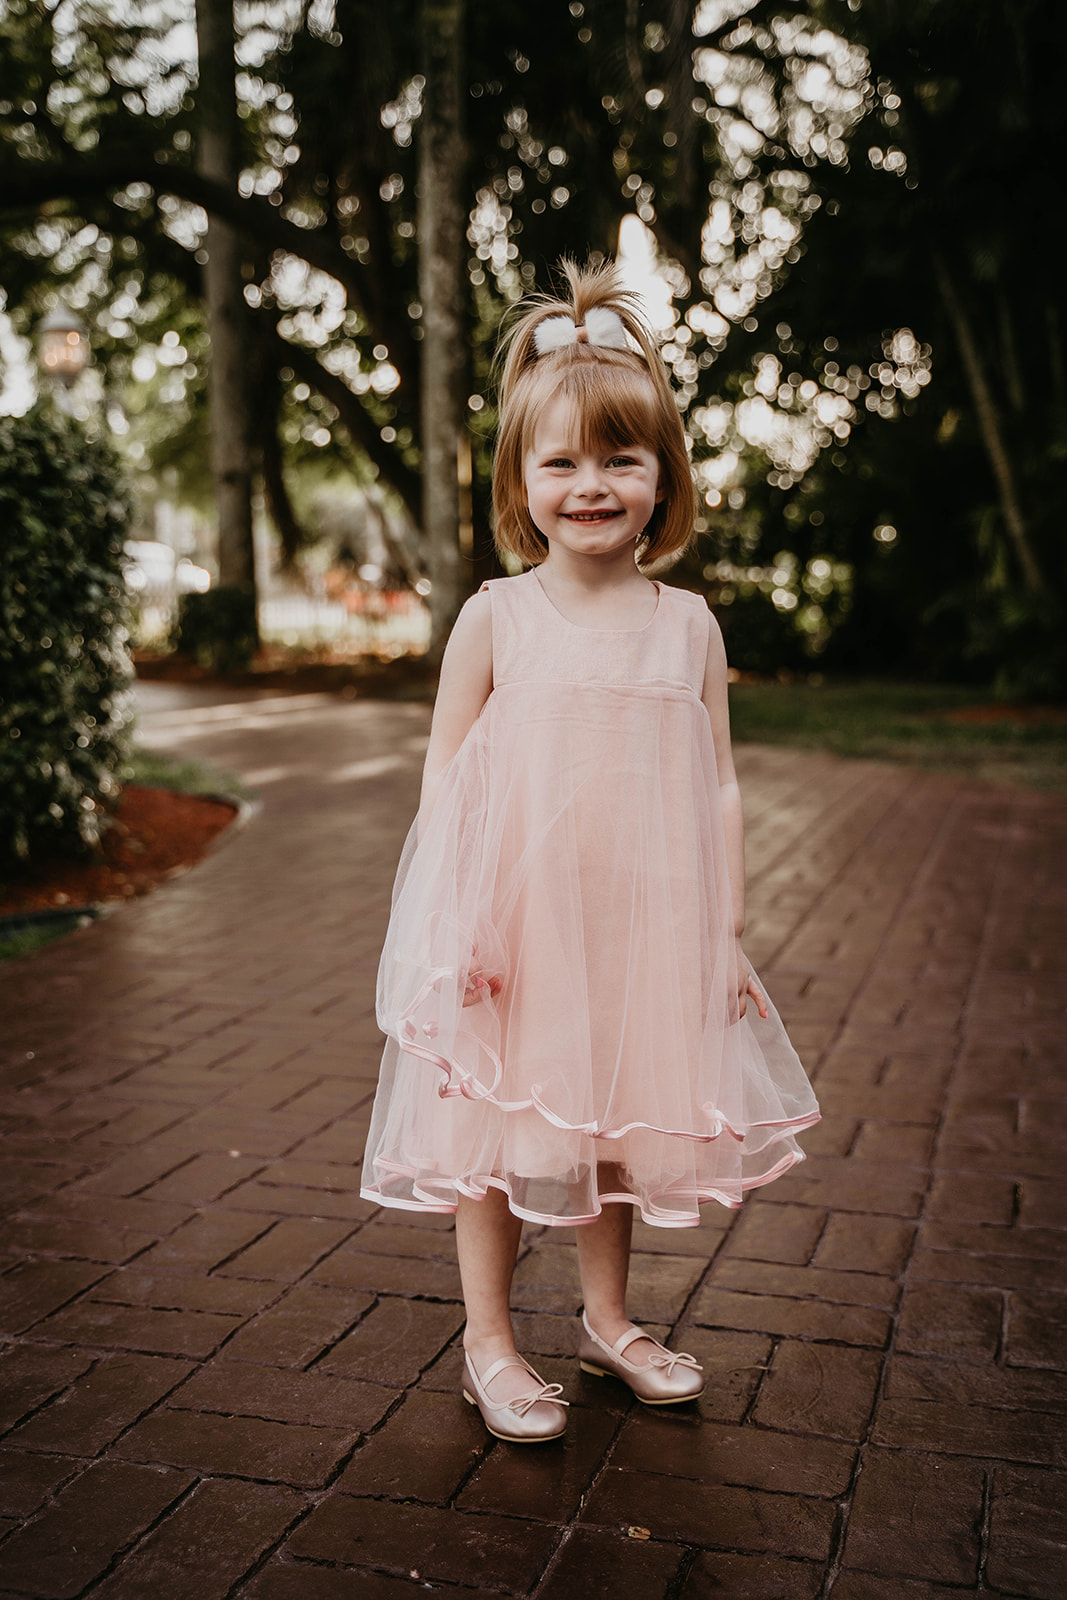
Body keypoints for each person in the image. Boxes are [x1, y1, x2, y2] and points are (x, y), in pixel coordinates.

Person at [361, 260, 820, 1443]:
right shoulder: (495, 616)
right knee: (500, 1128)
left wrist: (718, 935)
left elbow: (715, 778)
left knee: (613, 1126)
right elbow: (446, 778)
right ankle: (490, 1339)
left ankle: (607, 1320)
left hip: (640, 925)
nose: (591, 485)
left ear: (662, 475)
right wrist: (455, 922)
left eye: (620, 459)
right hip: (518, 931)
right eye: (560, 462)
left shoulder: (686, 624)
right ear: (519, 480)